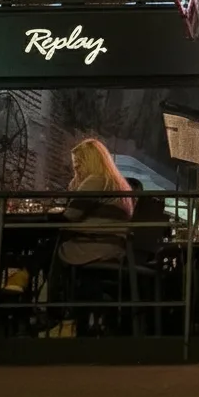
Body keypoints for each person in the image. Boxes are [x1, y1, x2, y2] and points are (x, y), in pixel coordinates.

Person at [42, 139, 135, 338]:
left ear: (90, 161)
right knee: (52, 248)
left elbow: (71, 215)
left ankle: (54, 313)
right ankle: (64, 317)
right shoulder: (116, 183)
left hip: (94, 245)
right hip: (112, 245)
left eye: (79, 163)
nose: (75, 168)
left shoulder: (96, 181)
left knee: (50, 247)